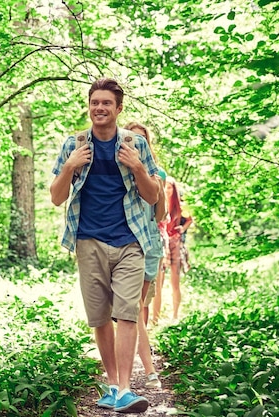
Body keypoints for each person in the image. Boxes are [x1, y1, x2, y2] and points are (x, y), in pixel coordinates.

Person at [50, 78, 160, 413]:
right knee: (99, 318)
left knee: (127, 313)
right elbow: (56, 197)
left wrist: (138, 167)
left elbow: (153, 195)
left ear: (118, 108)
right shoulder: (74, 145)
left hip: (131, 240)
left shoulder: (134, 144)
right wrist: (70, 166)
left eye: (107, 103)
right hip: (88, 241)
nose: (100, 108)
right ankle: (112, 385)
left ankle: (125, 388)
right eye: (95, 102)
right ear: (89, 104)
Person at [124, 122, 166, 390]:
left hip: (149, 244)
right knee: (134, 308)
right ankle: (148, 370)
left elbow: (159, 216)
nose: (137, 144)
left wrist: (158, 189)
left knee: (137, 308)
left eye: (142, 140)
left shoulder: (157, 172)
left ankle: (140, 366)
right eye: (133, 139)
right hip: (125, 243)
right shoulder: (116, 170)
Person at [152, 176, 193, 323]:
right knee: (159, 282)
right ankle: (155, 317)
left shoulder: (180, 206)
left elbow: (190, 219)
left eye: (170, 187)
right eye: (166, 187)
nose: (167, 189)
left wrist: (182, 228)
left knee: (175, 281)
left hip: (175, 243)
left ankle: (175, 315)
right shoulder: (159, 201)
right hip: (163, 243)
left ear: (174, 189)